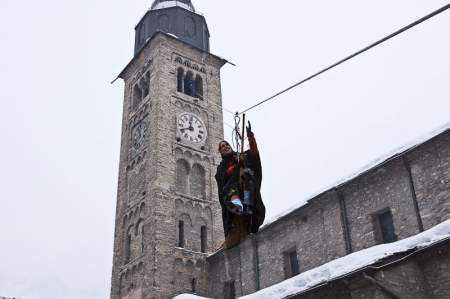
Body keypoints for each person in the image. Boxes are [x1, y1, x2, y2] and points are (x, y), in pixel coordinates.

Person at [215, 122, 266, 249]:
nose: (225, 146)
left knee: (247, 172)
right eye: (222, 147)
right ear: (220, 152)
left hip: (246, 189)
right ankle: (237, 204)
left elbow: (254, 155)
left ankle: (248, 205)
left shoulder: (240, 156)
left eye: (226, 144)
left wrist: (250, 137)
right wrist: (235, 168)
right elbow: (222, 179)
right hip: (232, 193)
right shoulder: (221, 167)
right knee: (230, 184)